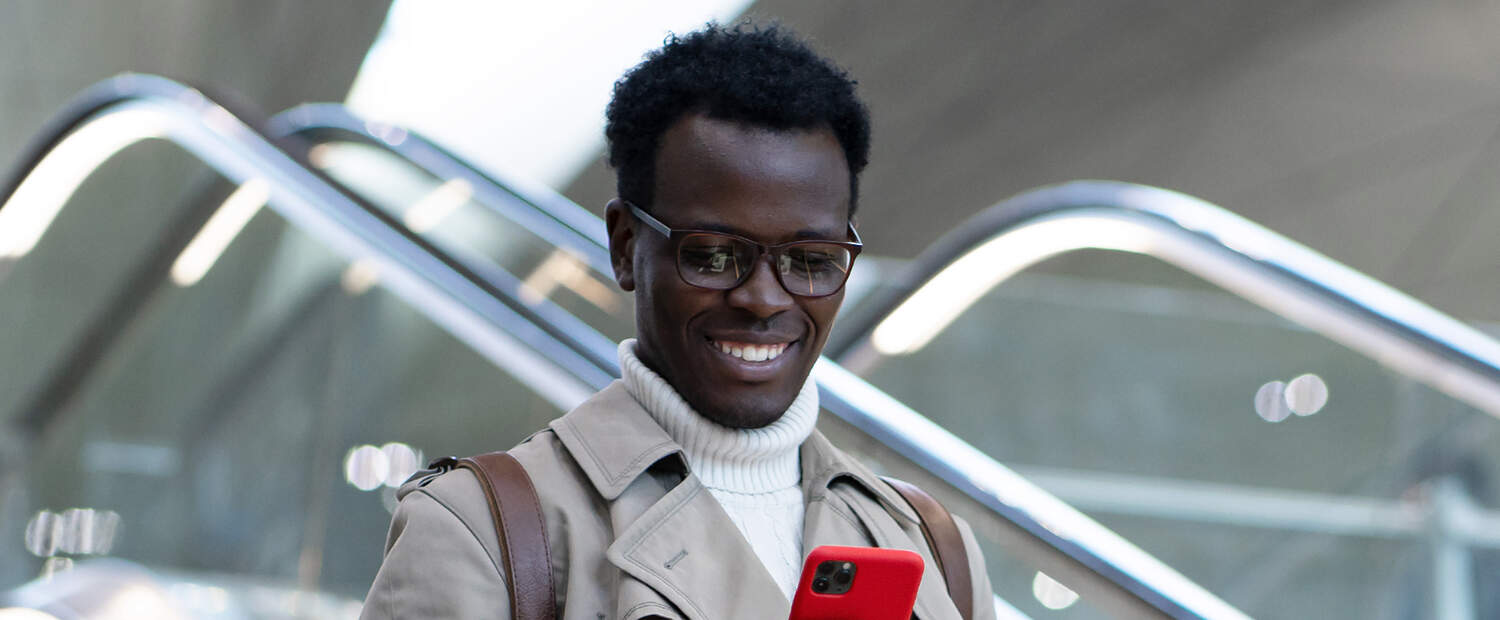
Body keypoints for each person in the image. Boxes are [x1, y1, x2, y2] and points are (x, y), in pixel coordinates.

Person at [360, 22, 995, 620]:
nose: (763, 300)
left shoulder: (934, 546)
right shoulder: (478, 532)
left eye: (810, 259)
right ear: (625, 246)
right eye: (713, 255)